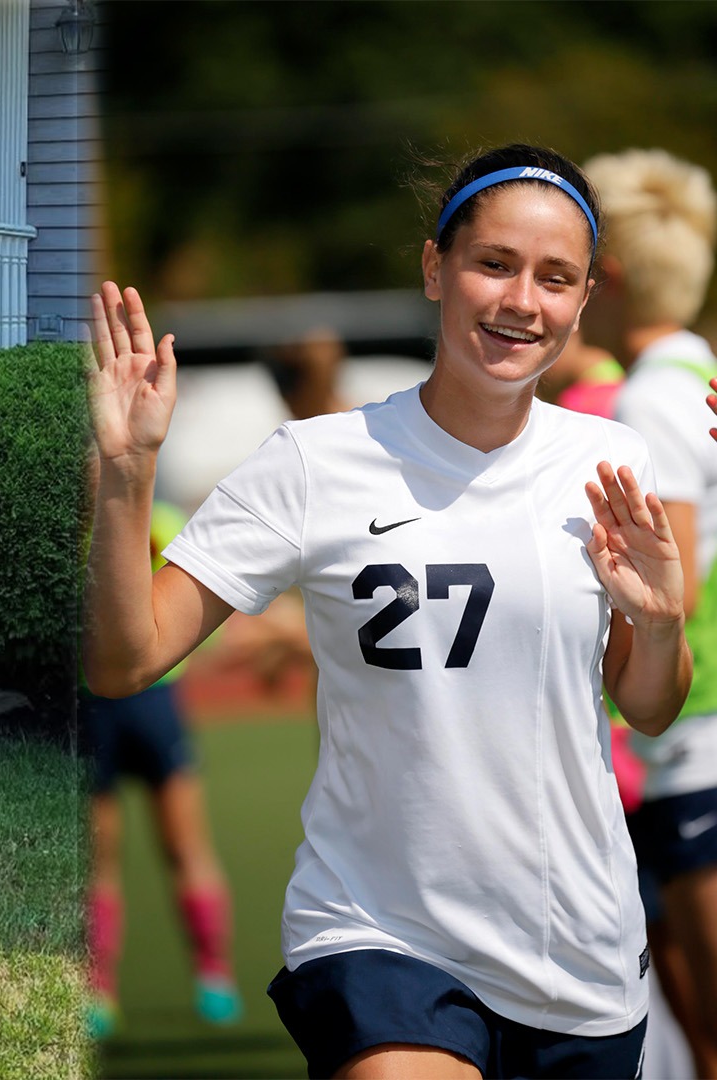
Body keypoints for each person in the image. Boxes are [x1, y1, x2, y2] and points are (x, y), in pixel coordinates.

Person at [85, 144, 689, 1078]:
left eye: (555, 278)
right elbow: (126, 659)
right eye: (494, 263)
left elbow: (646, 706)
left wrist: (658, 624)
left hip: (581, 950)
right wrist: (126, 477)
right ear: (434, 269)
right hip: (377, 931)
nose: (522, 300)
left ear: (580, 300)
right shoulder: (311, 462)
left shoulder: (612, 461)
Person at [582, 146, 717, 1078]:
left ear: (612, 277)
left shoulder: (652, 398)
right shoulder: (700, 376)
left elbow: (671, 597)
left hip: (695, 735)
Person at [79, 500, 242, 1042]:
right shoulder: (63, 523)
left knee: (184, 846)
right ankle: (99, 993)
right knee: (97, 863)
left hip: (155, 703)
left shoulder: (163, 521)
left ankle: (213, 975)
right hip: (93, 712)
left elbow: (200, 616)